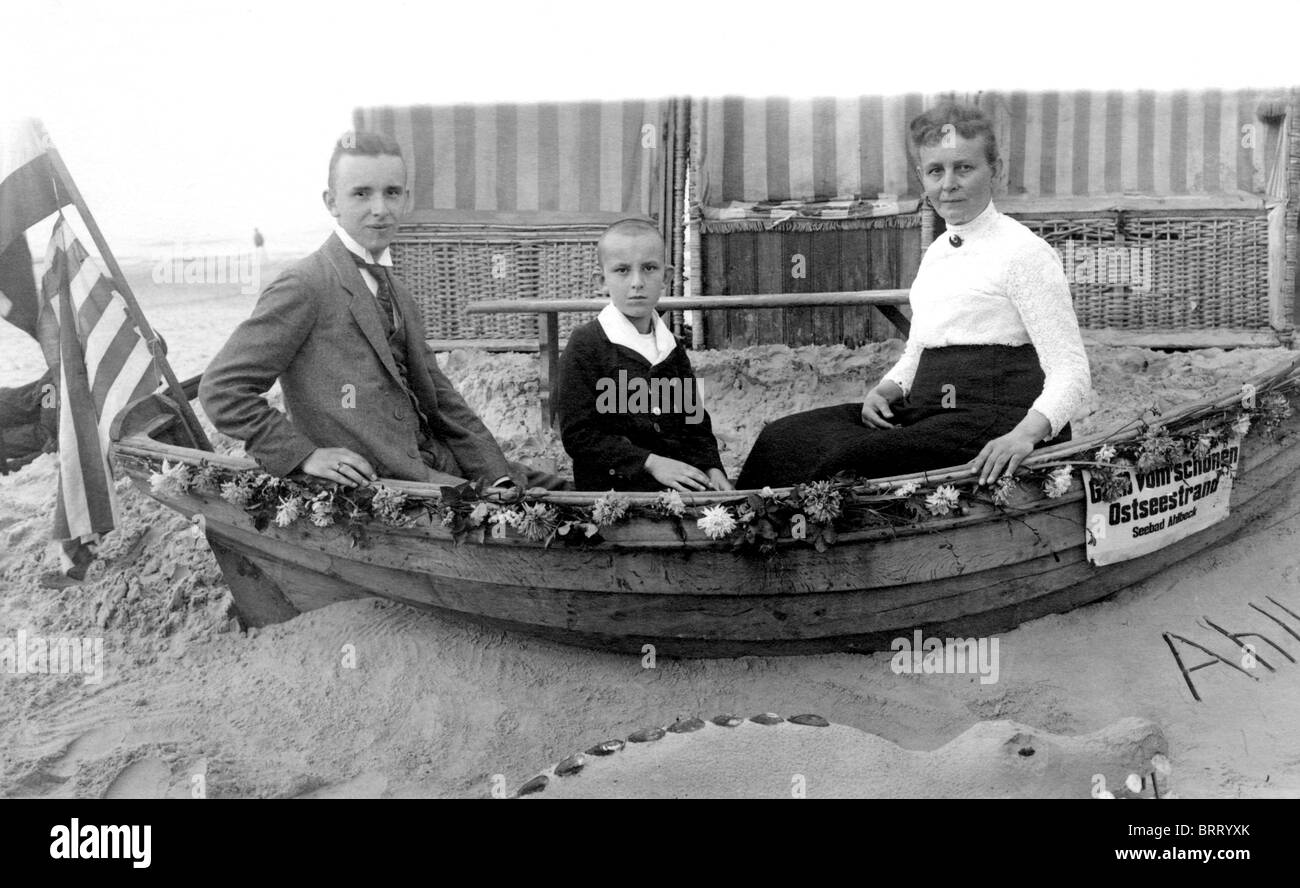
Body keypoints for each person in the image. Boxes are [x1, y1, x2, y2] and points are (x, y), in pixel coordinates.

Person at [738, 104, 1091, 490]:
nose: (949, 183)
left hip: (997, 417)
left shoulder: (1025, 252)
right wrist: (887, 389)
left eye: (964, 167)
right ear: (922, 177)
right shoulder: (938, 252)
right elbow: (919, 349)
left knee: (849, 462)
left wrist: (1024, 435)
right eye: (936, 170)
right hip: (930, 412)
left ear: (996, 172)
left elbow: (1072, 372)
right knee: (785, 437)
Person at [201, 132, 561, 490]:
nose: (380, 209)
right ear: (332, 202)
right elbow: (222, 390)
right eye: (361, 193)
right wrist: (305, 454)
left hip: (437, 459)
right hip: (386, 481)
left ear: (405, 198)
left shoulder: (397, 290)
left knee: (568, 491)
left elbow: (439, 396)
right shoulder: (305, 284)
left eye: (392, 193)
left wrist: (494, 473)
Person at [558, 219, 733, 492]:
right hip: (612, 494)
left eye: (649, 268)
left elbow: (694, 421)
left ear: (667, 277)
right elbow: (579, 436)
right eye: (622, 270)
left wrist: (712, 466)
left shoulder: (672, 348)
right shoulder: (586, 344)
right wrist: (650, 463)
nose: (637, 283)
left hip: (677, 490)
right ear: (602, 281)